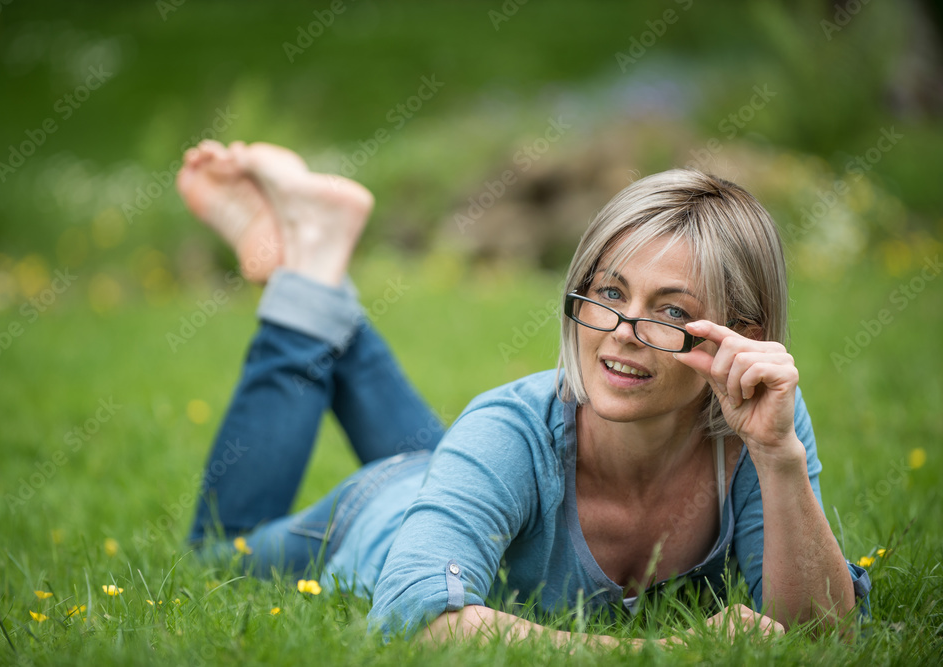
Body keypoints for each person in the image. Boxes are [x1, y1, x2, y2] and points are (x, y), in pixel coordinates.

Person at [176, 139, 870, 645]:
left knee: (463, 455)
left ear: (739, 337)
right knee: (218, 551)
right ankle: (310, 278)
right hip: (386, 509)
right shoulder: (509, 427)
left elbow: (822, 630)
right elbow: (413, 612)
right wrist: (652, 654)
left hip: (471, 476)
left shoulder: (759, 416)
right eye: (607, 292)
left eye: (672, 312)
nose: (623, 332)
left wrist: (778, 455)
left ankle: (317, 261)